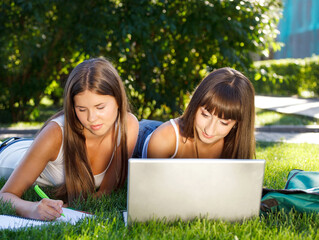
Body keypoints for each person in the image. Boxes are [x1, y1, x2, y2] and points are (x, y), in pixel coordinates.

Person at [0, 57, 139, 220]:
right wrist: (32, 208)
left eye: (100, 107)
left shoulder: (128, 125)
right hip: (9, 153)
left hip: (35, 147)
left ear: (118, 101)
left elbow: (106, 192)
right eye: (81, 109)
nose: (92, 118)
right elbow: (5, 195)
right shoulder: (55, 133)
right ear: (72, 107)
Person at [133, 67, 255, 159]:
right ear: (195, 105)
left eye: (223, 123)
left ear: (237, 124)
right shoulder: (165, 138)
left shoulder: (235, 144)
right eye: (205, 115)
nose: (209, 130)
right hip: (141, 134)